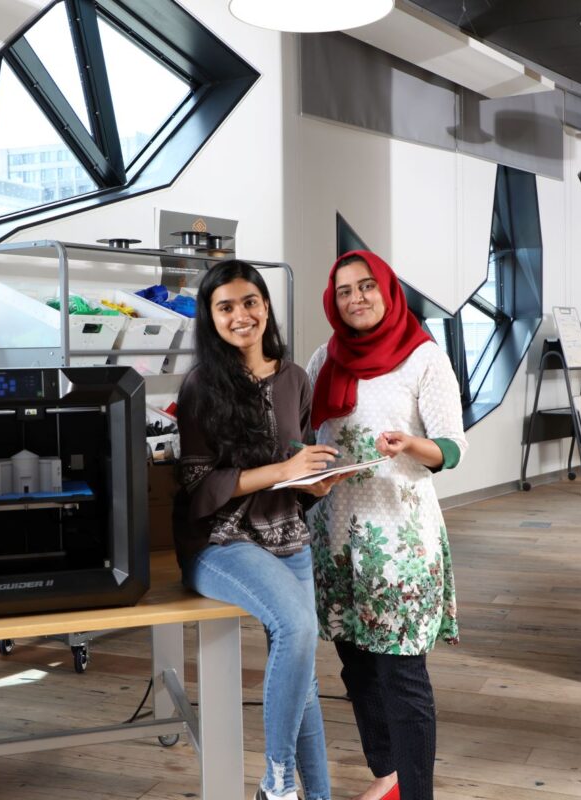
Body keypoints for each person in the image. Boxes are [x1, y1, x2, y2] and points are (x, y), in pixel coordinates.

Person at [173, 259, 339, 800]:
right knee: (298, 629)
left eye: (250, 302)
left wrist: (313, 480)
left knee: (305, 674)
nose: (241, 315)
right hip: (219, 542)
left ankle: (316, 796)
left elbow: (297, 457)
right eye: (226, 307)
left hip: (287, 532)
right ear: (211, 317)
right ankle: (276, 780)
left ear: (266, 307)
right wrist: (283, 472)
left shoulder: (295, 378)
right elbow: (198, 486)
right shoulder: (200, 386)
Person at [306, 250, 468, 800]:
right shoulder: (321, 359)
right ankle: (389, 776)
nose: (356, 298)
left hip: (398, 539)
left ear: (388, 290)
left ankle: (417, 793)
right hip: (335, 535)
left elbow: (452, 446)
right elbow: (308, 441)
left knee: (401, 676)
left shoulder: (424, 358)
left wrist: (412, 444)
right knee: (356, 665)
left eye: (366, 286)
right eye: (345, 290)